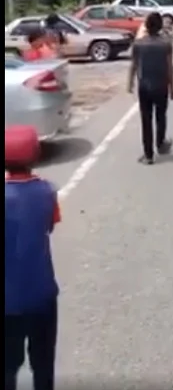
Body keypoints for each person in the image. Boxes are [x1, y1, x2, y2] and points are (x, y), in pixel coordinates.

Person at [5, 125, 61, 390]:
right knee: (43, 365)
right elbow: (50, 225)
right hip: (42, 294)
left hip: (7, 301)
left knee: (7, 366)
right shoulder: (47, 192)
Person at [128, 11, 173, 165]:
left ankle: (148, 155)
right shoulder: (166, 44)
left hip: (144, 86)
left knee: (146, 119)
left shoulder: (138, 44)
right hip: (161, 85)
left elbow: (134, 65)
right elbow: (170, 67)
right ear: (160, 26)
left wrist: (130, 83)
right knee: (161, 116)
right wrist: (172, 87)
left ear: (146, 26)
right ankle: (160, 144)